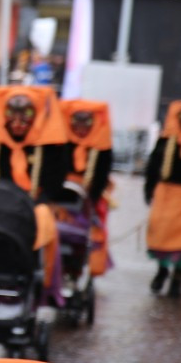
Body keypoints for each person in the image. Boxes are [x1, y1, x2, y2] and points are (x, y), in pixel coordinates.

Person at [0, 86, 70, 304]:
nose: (19, 121)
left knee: (43, 221)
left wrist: (39, 201)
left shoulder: (50, 147)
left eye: (27, 114)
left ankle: (33, 287)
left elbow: (54, 182)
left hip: (32, 209)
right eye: (13, 113)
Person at [58, 100, 114, 277]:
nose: (81, 127)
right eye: (77, 122)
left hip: (89, 197)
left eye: (86, 123)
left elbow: (101, 176)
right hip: (62, 196)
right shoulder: (60, 144)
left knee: (93, 229)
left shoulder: (102, 148)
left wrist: (92, 199)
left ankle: (85, 267)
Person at [145, 99, 181, 298]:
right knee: (161, 233)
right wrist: (149, 189)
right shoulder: (166, 140)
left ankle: (177, 277)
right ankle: (162, 270)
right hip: (166, 194)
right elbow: (153, 165)